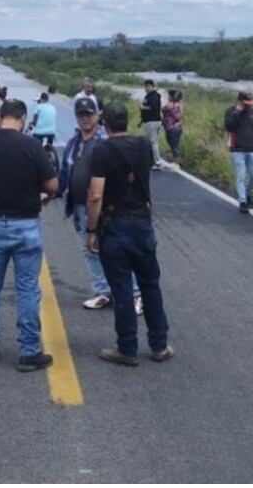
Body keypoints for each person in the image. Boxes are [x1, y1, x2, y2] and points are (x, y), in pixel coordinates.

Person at [0, 99, 58, 372]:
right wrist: (38, 192)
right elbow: (52, 184)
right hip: (26, 225)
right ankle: (29, 351)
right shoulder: (31, 146)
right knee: (28, 288)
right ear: (23, 118)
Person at [86, 104, 173, 366]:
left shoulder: (101, 150)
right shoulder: (144, 144)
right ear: (127, 121)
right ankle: (159, 345)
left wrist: (92, 230)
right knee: (150, 285)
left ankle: (127, 348)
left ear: (105, 124)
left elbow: (96, 194)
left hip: (115, 224)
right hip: (143, 221)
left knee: (122, 289)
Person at [57, 97, 142, 312]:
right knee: (89, 251)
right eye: (81, 115)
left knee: (116, 251)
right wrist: (50, 193)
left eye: (89, 114)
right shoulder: (73, 143)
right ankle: (103, 292)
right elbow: (65, 174)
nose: (85, 119)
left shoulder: (106, 142)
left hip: (104, 207)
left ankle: (134, 294)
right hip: (78, 206)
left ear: (98, 116)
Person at [224, 91, 253, 213]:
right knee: (240, 176)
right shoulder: (230, 112)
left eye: (250, 104)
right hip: (237, 149)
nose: (249, 106)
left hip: (252, 148)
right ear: (240, 102)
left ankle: (246, 193)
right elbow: (228, 127)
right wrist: (237, 113)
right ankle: (242, 201)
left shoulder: (252, 113)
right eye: (246, 104)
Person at [139, 79, 164, 169]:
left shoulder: (155, 96)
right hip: (148, 121)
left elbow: (154, 107)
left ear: (153, 87)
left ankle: (157, 162)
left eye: (149, 86)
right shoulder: (148, 96)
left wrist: (143, 107)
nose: (147, 88)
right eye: (146, 86)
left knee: (153, 141)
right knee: (151, 141)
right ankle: (152, 160)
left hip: (153, 121)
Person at [163, 89, 184, 164]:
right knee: (176, 145)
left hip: (171, 128)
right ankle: (176, 161)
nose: (167, 97)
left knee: (173, 146)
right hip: (178, 127)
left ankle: (176, 163)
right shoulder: (180, 105)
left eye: (168, 95)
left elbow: (163, 109)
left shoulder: (170, 104)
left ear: (172, 96)